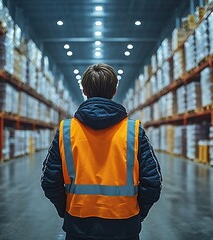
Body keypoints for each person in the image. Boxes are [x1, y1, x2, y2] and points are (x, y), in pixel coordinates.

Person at [41, 63, 162, 240]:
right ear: (114, 90)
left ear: (84, 90)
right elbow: (153, 183)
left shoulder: (66, 130)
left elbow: (49, 181)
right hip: (124, 226)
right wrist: (137, 214)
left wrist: (66, 210)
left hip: (78, 225)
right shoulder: (133, 131)